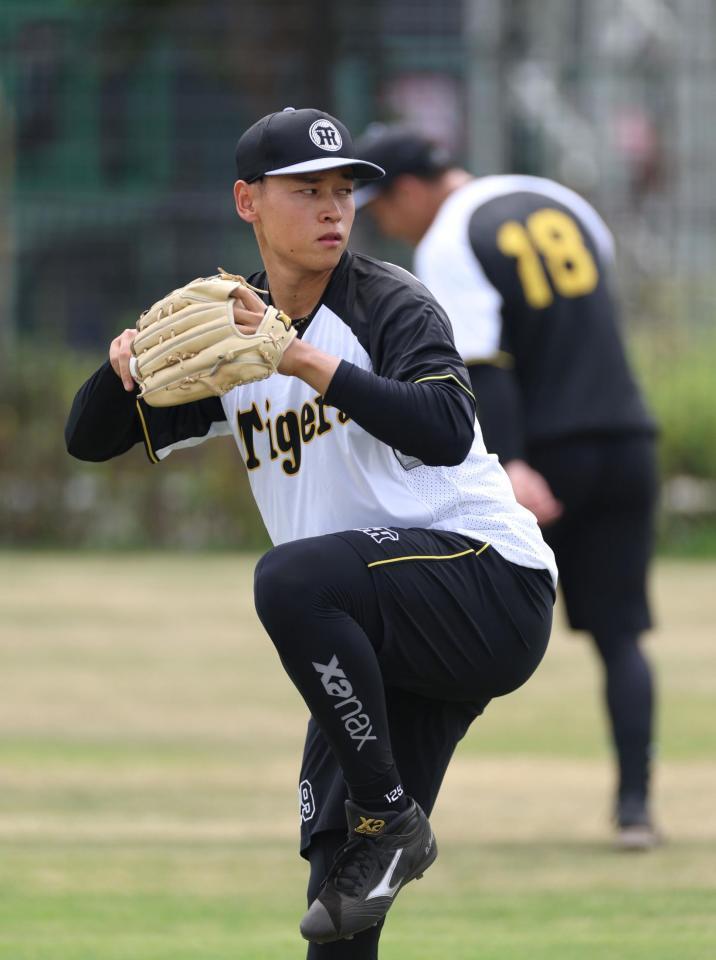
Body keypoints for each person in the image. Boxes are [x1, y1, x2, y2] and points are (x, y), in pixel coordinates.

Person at [65, 107, 557, 957]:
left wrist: (301, 360)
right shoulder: (233, 335)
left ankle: (390, 815)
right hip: (377, 626)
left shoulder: (389, 304)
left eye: (345, 190)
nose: (334, 207)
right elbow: (89, 438)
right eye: (306, 191)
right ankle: (381, 828)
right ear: (247, 202)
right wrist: (123, 371)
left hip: (488, 582)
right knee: (339, 895)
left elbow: (444, 427)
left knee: (289, 578)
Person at [353, 124, 660, 850]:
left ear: (409, 190)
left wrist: (513, 462)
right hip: (627, 435)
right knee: (620, 637)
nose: (383, 225)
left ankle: (390, 808)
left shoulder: (450, 240)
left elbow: (483, 365)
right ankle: (636, 810)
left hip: (546, 456)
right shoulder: (558, 199)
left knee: (449, 615)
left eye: (380, 208)